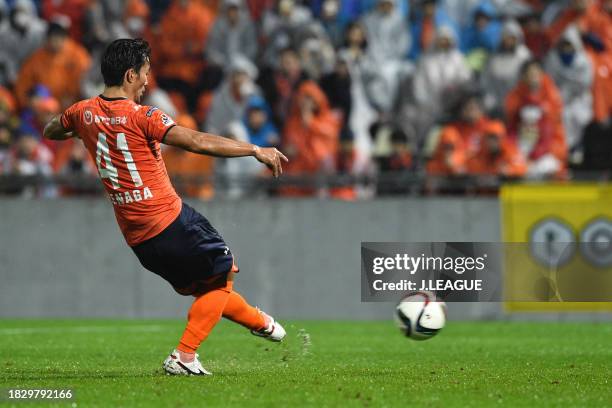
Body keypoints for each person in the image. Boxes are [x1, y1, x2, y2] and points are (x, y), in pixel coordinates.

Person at [43, 39, 288, 376]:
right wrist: (254, 149)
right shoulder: (144, 116)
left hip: (140, 241)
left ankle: (260, 322)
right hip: (171, 221)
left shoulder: (82, 112)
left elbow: (51, 129)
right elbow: (198, 141)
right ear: (130, 75)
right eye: (145, 73)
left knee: (209, 289)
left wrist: (85, 133)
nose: (147, 81)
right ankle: (184, 356)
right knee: (222, 276)